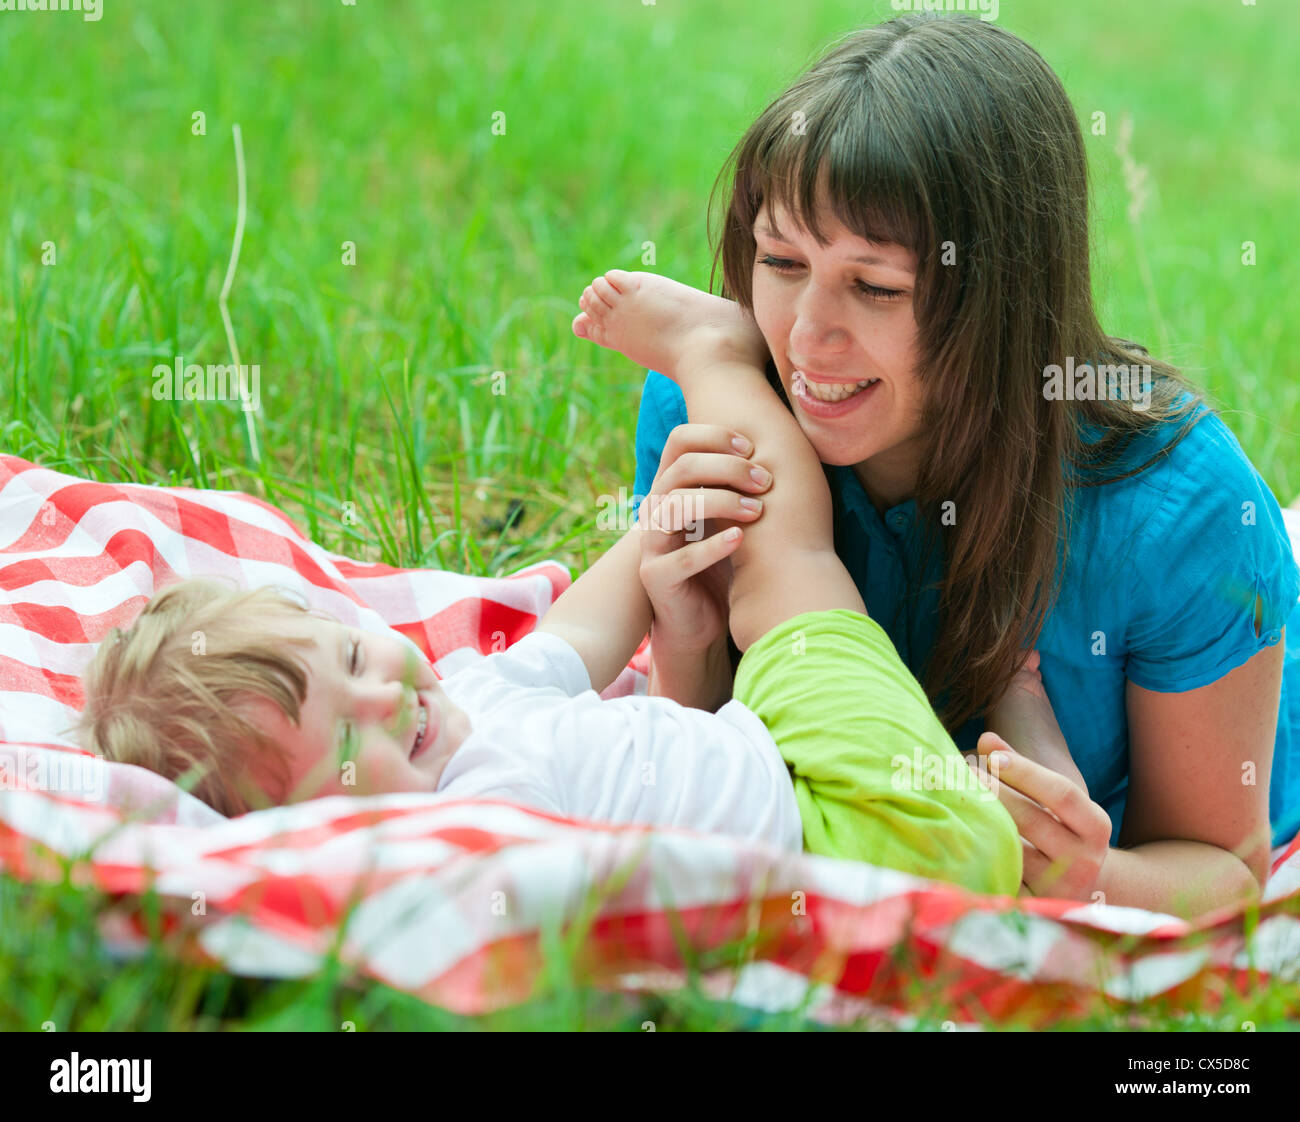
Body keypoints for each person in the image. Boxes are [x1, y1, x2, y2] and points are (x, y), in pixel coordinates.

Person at [629, 12, 1300, 918]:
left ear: (1005, 294)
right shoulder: (713, 404)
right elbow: (727, 759)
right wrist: (686, 639)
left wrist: (1085, 876)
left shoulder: (1181, 511)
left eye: (876, 287)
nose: (805, 336)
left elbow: (1226, 868)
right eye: (781, 260)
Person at [75, 280, 1030, 895]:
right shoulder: (455, 845)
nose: (387, 695)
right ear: (308, 826)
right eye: (346, 735)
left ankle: (717, 360)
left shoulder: (475, 695)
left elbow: (582, 626)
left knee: (762, 546)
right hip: (849, 841)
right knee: (794, 570)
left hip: (798, 761)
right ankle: (715, 354)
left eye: (358, 657)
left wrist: (661, 521)